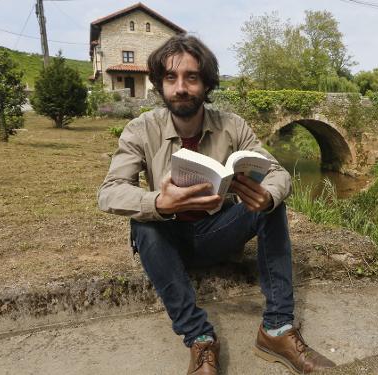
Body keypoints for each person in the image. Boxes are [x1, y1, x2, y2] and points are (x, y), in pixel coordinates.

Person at [97, 34, 336, 375]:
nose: (181, 87)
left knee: (272, 205)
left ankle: (277, 330)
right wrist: (158, 202)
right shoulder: (140, 130)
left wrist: (266, 196)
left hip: (217, 232)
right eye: (171, 78)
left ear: (206, 84)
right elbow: (109, 191)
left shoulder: (232, 126)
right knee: (144, 224)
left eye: (191, 77)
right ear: (160, 85)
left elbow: (278, 173)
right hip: (167, 240)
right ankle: (200, 339)